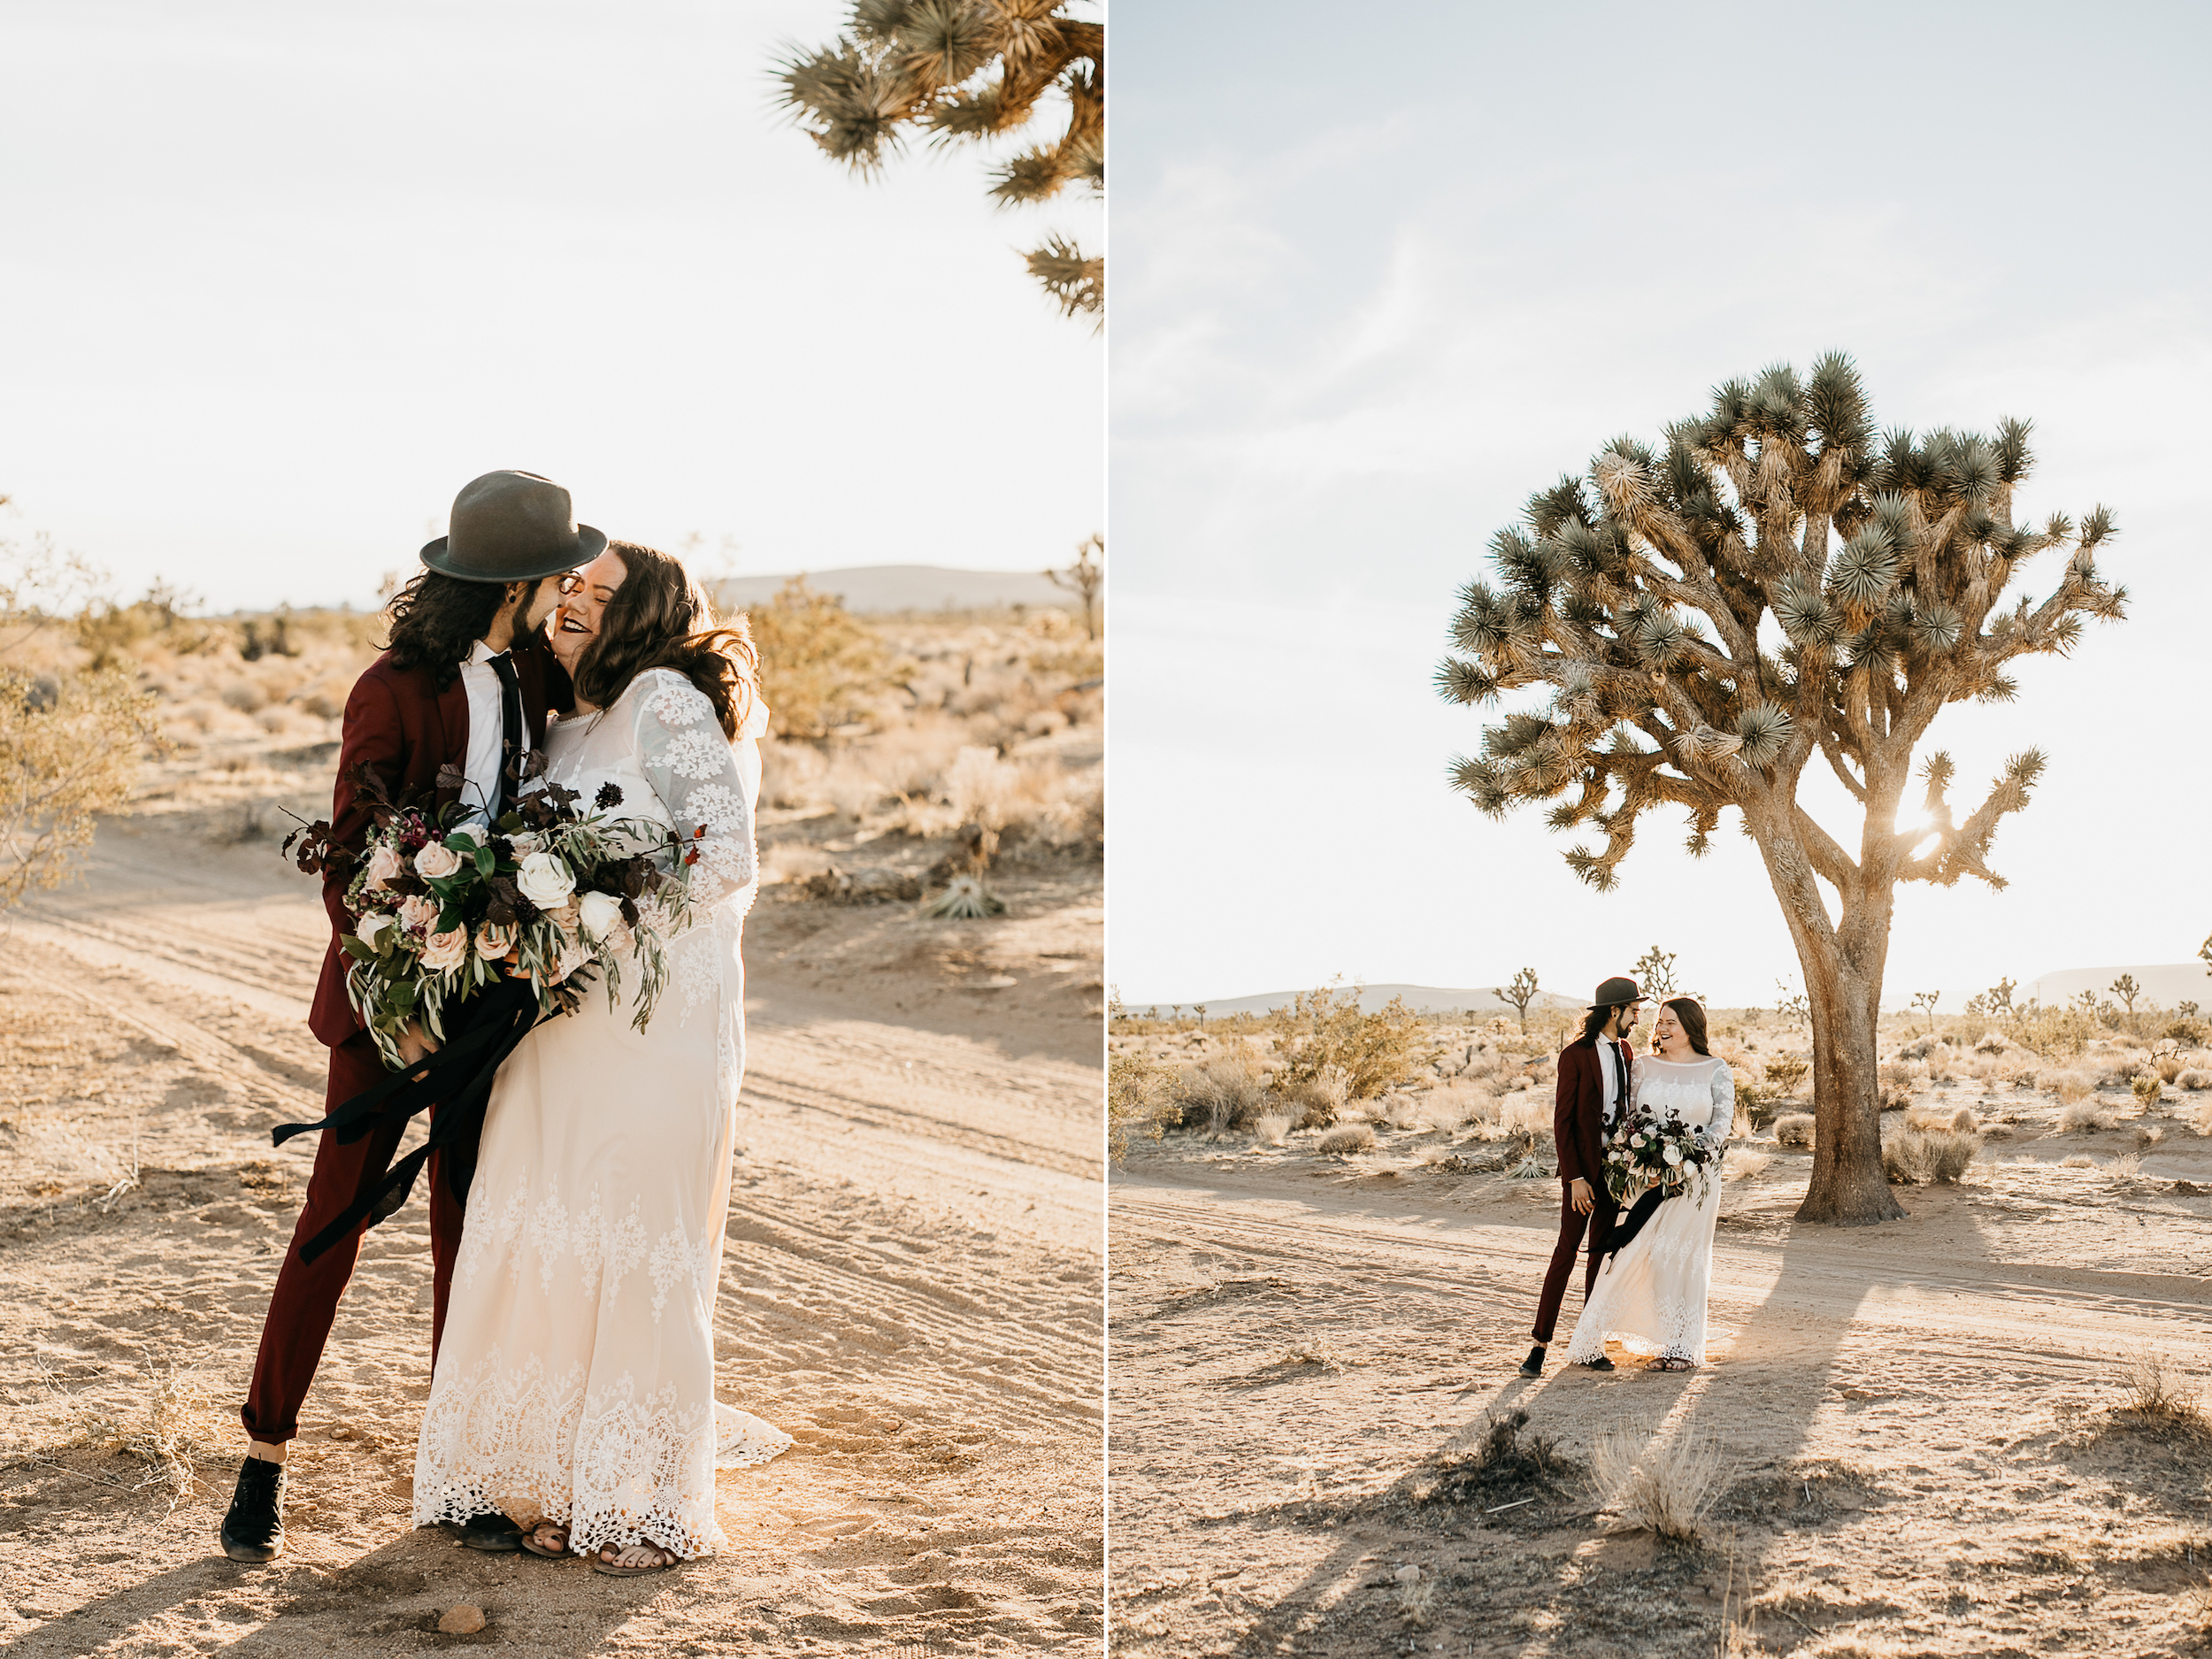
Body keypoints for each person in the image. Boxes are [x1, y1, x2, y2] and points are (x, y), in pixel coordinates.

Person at [222, 471, 593, 1563]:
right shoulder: (388, 688)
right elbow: (346, 858)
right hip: (387, 1012)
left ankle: (462, 1473)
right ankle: (264, 1456)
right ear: (515, 580)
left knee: (467, 1241)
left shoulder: (532, 672)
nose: (563, 587)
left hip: (493, 1005)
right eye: (555, 572)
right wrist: (396, 1004)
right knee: (332, 1223)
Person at [410, 541, 788, 1576]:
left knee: (630, 1217)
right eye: (571, 583)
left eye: (601, 591)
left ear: (647, 616)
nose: (574, 599)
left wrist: (604, 917)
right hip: (562, 1009)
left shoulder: (664, 699)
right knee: (540, 1211)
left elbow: (727, 853)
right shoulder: (561, 722)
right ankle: (535, 1471)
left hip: (652, 1010)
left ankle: (631, 1491)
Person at [1563, 995, 1736, 1371]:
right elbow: (1627, 1120)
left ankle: (1682, 1346)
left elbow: (1722, 1124)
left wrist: (1690, 1158)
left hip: (1696, 1182)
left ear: (1692, 1026)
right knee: (1643, 1253)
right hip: (1651, 1180)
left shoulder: (1715, 1069)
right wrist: (1645, 1162)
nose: (1662, 1028)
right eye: (1659, 1022)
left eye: (1671, 1022)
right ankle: (1614, 1338)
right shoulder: (1642, 1066)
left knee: (1684, 1259)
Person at [1519, 976, 1642, 1379]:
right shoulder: (1575, 1055)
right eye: (1633, 1011)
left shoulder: (1625, 1050)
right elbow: (1562, 1122)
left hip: (1615, 1171)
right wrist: (1574, 1178)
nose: (1637, 1018)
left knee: (1600, 1256)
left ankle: (1589, 1343)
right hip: (1582, 1173)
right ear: (1614, 1011)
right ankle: (1539, 1345)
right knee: (1566, 1253)